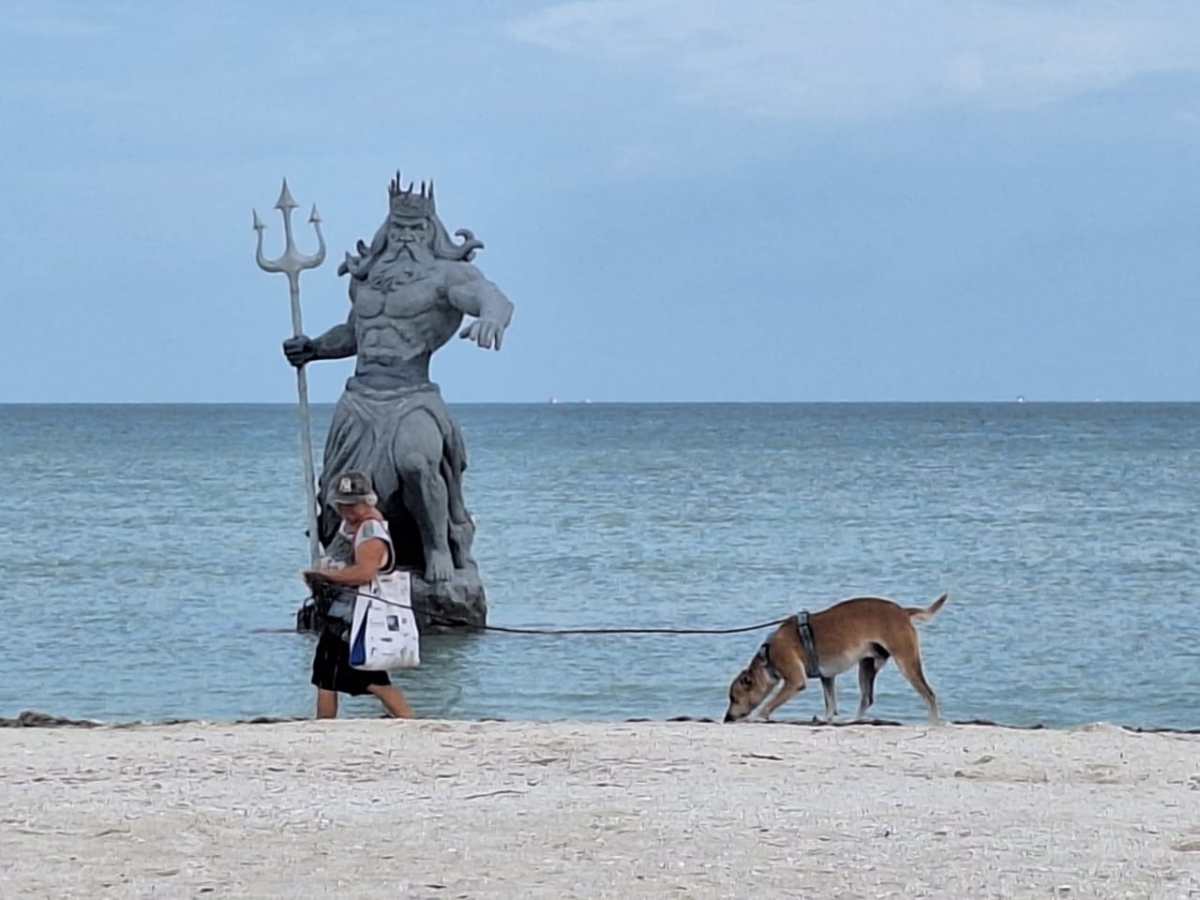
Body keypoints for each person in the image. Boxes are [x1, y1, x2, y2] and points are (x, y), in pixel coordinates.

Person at [303, 471, 414, 719]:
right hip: (344, 614)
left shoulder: (371, 534)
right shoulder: (352, 528)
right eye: (342, 505)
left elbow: (365, 573)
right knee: (329, 676)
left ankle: (407, 719)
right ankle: (325, 725)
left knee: (365, 678)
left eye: (353, 506)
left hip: (357, 617)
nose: (347, 512)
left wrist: (326, 577)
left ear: (368, 501)